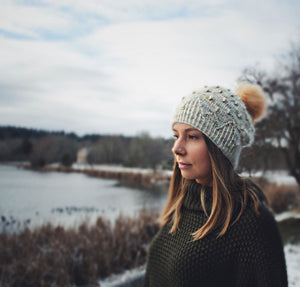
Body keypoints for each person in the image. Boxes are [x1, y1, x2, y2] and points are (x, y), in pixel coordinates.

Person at [144, 84, 287, 287]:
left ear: (220, 149)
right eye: (176, 135)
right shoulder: (182, 206)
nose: (176, 148)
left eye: (192, 136)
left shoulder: (251, 224)